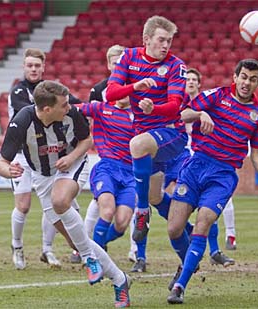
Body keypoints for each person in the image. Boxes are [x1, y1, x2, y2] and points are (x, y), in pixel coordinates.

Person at [0, 80, 131, 308]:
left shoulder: (72, 114)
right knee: (77, 241)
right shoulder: (21, 122)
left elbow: (87, 140)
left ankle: (90, 260)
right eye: (64, 105)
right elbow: (2, 162)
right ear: (47, 109)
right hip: (42, 177)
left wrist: (70, 158)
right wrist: (8, 171)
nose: (69, 107)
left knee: (60, 201)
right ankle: (120, 280)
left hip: (73, 164)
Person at [166, 59, 258, 304]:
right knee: (174, 228)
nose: (247, 83)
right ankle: (188, 264)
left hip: (223, 175)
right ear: (235, 77)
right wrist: (200, 113)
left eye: (253, 79)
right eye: (244, 77)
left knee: (203, 222)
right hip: (195, 167)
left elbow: (256, 152)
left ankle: (180, 286)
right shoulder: (216, 96)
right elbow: (181, 114)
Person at [106, 15, 188, 245]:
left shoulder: (176, 66)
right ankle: (190, 237)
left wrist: (154, 108)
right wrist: (135, 86)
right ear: (147, 39)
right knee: (155, 195)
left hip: (171, 133)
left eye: (169, 41)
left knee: (137, 144)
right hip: (147, 137)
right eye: (161, 40)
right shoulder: (129, 57)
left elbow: (174, 107)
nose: (166, 46)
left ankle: (141, 211)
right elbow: (111, 93)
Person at [8, 48, 84, 270]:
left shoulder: (52, 90)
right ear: (24, 67)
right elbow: (34, 114)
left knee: (53, 203)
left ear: (43, 67)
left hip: (47, 154)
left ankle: (47, 249)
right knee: (23, 205)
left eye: (37, 65)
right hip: (23, 155)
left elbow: (75, 104)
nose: (33, 69)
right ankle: (17, 247)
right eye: (29, 65)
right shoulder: (18, 91)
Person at [164, 68, 235, 270]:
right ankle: (189, 241)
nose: (191, 82)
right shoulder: (179, 103)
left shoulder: (207, 102)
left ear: (199, 83)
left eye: (195, 79)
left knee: (211, 206)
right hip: (181, 158)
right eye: (188, 79)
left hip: (201, 157)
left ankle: (214, 250)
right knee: (167, 202)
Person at [82, 44, 139, 264]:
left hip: (131, 170)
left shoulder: (140, 105)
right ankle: (92, 254)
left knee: (123, 220)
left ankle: (103, 244)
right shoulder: (99, 98)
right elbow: (78, 111)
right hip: (107, 164)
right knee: (104, 209)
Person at [78, 96, 135, 252]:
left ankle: (98, 245)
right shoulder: (100, 108)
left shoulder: (140, 114)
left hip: (130, 173)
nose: (123, 93)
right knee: (107, 211)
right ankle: (94, 258)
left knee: (122, 223)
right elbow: (69, 108)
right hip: (107, 168)